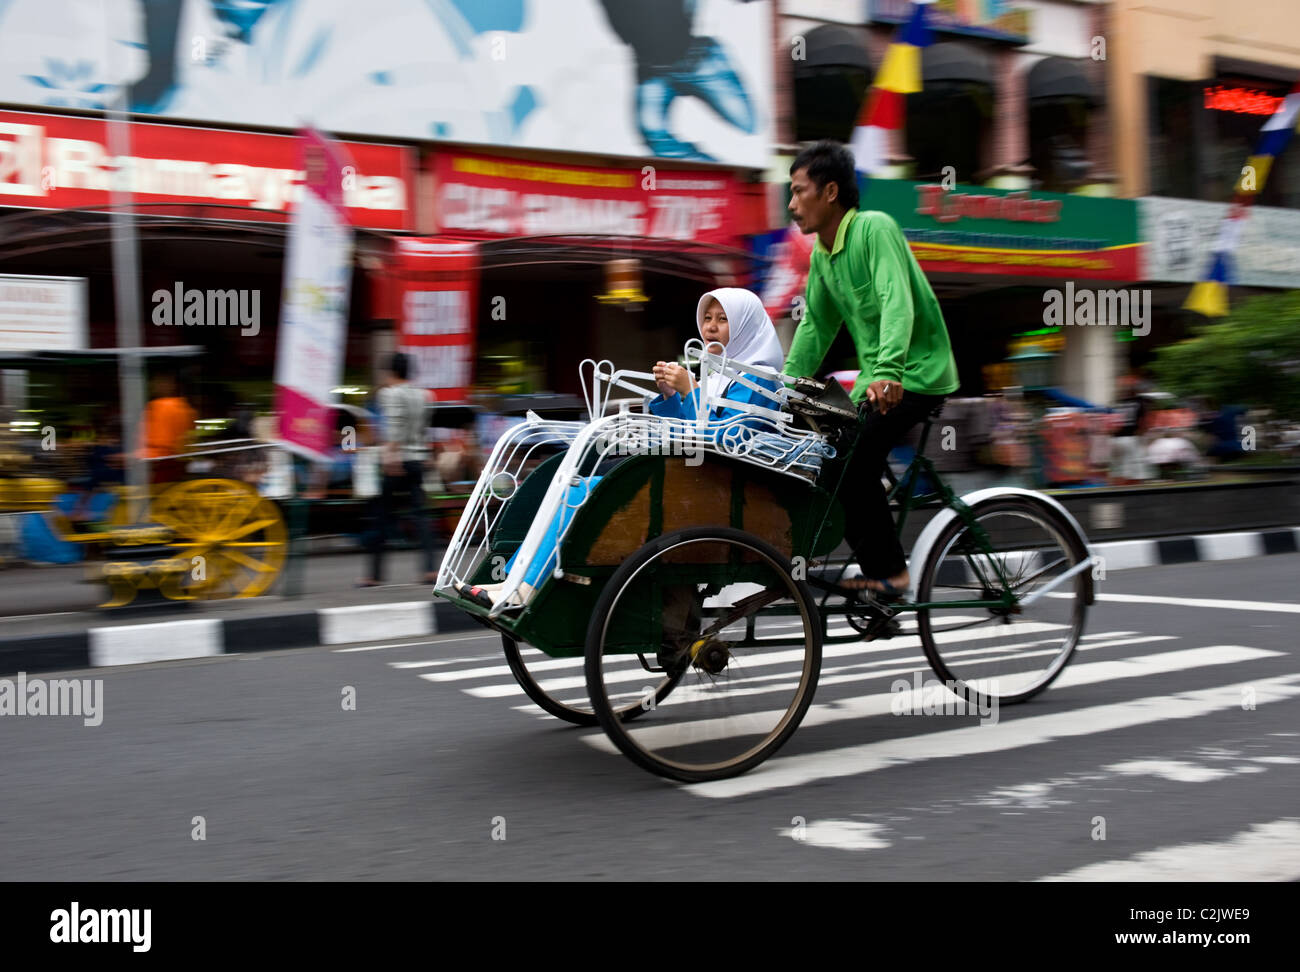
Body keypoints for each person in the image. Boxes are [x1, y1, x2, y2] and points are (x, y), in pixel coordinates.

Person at [783, 140, 960, 600]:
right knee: (829, 462)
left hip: (915, 374)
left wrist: (888, 370)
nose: (791, 203)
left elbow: (894, 301)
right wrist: (781, 388)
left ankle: (891, 577)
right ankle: (880, 578)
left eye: (799, 191)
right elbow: (815, 328)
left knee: (853, 464)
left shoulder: (874, 229)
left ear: (830, 192)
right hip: (876, 381)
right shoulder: (822, 256)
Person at [359, 352, 435, 587]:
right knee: (420, 517)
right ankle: (430, 570)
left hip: (397, 460)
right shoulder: (425, 396)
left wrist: (391, 456)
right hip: (417, 459)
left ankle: (374, 575)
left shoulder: (388, 394)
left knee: (382, 517)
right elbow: (422, 429)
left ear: (391, 372)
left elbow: (394, 425)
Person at [140, 372, 197, 484]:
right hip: (176, 461)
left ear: (170, 384)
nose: (154, 386)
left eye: (158, 382)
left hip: (162, 461)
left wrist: (133, 456)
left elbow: (161, 443)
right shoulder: (185, 407)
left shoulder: (160, 406)